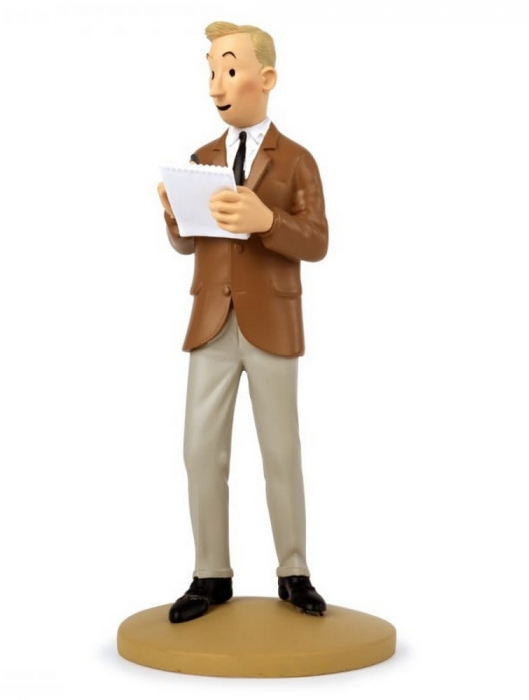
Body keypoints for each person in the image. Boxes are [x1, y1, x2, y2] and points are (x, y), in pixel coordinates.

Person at [157, 21, 329, 623]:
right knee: (200, 449)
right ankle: (211, 573)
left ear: (267, 78)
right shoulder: (201, 160)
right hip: (212, 320)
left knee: (281, 451)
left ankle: (294, 571)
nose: (216, 86)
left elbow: (317, 241)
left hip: (272, 323)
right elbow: (189, 244)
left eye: (229, 70)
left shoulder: (297, 160)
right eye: (211, 72)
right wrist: (174, 218)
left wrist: (268, 222)